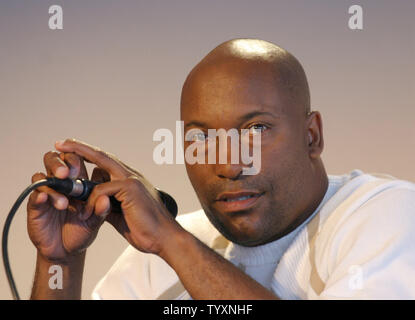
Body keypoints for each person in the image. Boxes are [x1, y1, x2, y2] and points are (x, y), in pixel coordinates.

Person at [28, 38, 415, 300]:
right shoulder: (160, 256)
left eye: (256, 130)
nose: (229, 165)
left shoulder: (385, 214)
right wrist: (59, 262)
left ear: (311, 136)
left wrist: (169, 238)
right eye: (201, 139)